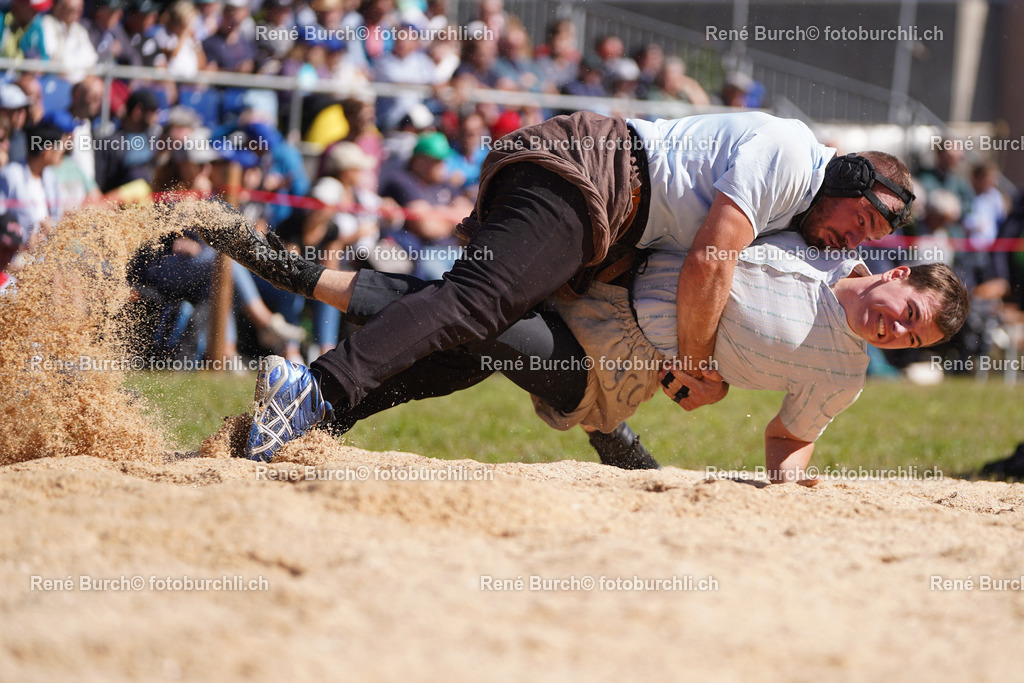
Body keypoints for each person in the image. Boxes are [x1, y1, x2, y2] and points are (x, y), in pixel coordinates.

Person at [196, 111, 917, 462]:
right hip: (589, 178)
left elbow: (829, 273)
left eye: (871, 242)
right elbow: (709, 262)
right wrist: (696, 364)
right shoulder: (793, 156)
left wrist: (873, 288)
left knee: (475, 338)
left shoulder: (802, 210)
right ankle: (314, 388)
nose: (856, 239)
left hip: (600, 212)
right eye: (862, 220)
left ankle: (323, 412)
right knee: (477, 304)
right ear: (851, 177)